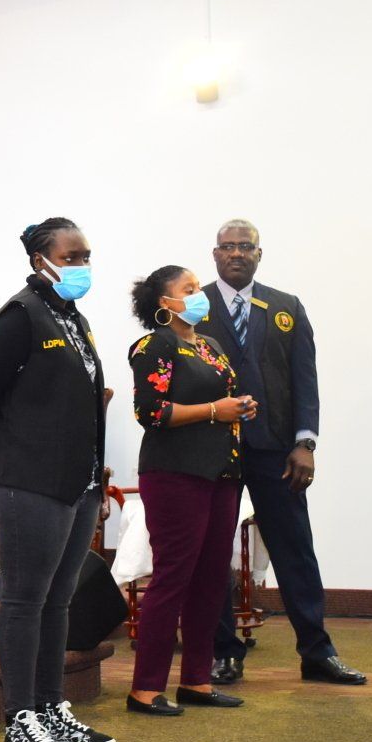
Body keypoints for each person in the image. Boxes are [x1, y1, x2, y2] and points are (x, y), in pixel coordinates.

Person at [0, 218, 117, 742]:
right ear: (40, 261)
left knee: (59, 599)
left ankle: (51, 708)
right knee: (25, 600)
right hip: (29, 480)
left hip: (79, 482)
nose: (82, 266)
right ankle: (19, 722)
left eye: (86, 256)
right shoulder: (21, 315)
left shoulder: (72, 317)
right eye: (71, 257)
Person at [196, 220, 366, 686]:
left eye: (245, 246)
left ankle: (317, 652)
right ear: (215, 254)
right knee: (213, 555)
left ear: (259, 254)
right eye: (227, 247)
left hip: (275, 450)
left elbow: (304, 379)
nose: (236, 253)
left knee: (295, 550)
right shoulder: (193, 306)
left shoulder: (286, 307)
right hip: (211, 450)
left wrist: (305, 442)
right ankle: (223, 653)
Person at [125, 266, 255, 715]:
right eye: (190, 289)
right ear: (166, 302)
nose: (200, 294)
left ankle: (197, 680)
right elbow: (152, 412)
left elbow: (219, 400)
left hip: (222, 472)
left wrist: (239, 408)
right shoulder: (153, 346)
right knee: (173, 578)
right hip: (175, 473)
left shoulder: (209, 345)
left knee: (212, 578)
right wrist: (216, 410)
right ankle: (145, 688)